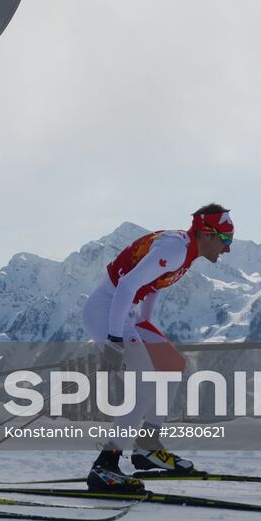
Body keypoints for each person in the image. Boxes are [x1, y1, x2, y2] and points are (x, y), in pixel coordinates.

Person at [81, 204, 235, 492]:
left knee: (172, 365)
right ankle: (105, 466)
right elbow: (127, 284)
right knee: (145, 387)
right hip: (108, 310)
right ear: (207, 234)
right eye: (225, 239)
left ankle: (147, 447)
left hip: (128, 313)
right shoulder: (176, 249)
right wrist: (115, 339)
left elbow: (151, 287)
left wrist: (147, 329)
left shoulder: (185, 250)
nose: (227, 248)